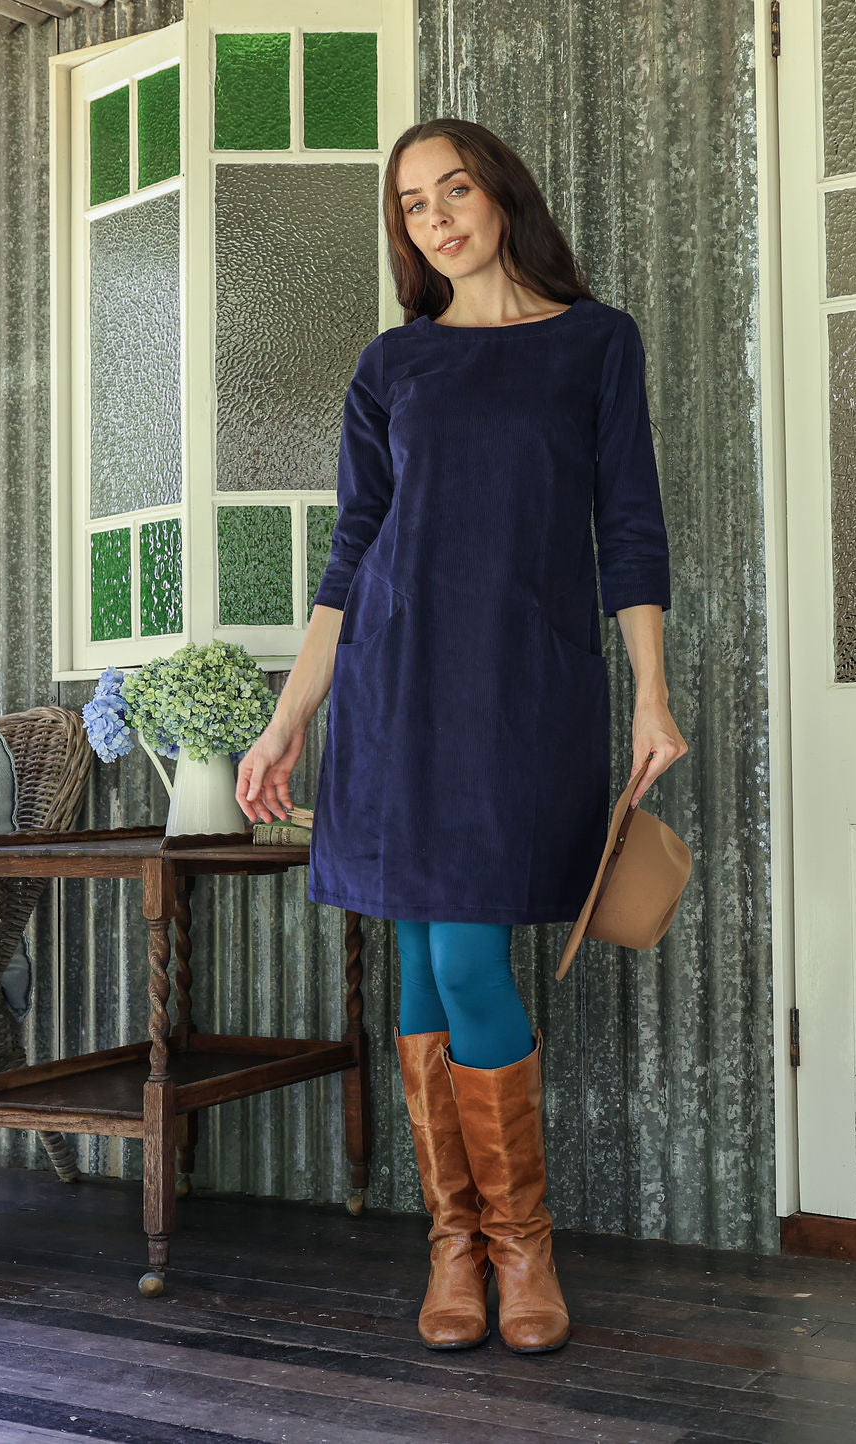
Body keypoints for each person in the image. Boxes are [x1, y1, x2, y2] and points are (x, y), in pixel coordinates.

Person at [235, 117, 688, 1356]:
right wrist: (288, 721)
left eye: (455, 189)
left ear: (500, 196)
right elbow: (350, 557)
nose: (435, 216)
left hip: (519, 691)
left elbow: (631, 529)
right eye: (410, 204)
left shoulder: (597, 344)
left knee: (472, 960)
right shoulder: (393, 366)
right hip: (391, 689)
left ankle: (520, 1246)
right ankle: (459, 1244)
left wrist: (651, 693)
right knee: (430, 970)